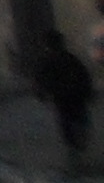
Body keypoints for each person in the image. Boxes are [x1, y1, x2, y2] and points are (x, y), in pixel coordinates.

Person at [32, 22, 93, 169]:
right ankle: (77, 146)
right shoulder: (70, 59)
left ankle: (75, 148)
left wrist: (41, 94)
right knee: (75, 121)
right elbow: (84, 76)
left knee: (68, 123)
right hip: (73, 97)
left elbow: (40, 81)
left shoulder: (49, 62)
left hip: (65, 98)